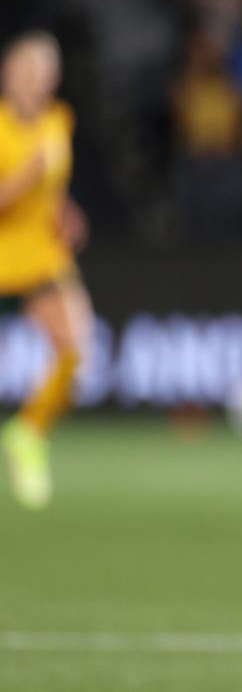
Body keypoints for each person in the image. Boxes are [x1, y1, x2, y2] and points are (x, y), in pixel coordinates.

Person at [0, 31, 93, 510]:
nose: (37, 82)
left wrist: (65, 210)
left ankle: (28, 433)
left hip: (40, 258)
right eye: (28, 71)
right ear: (9, 75)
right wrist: (24, 180)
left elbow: (52, 188)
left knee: (74, 352)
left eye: (45, 73)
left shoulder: (59, 120)